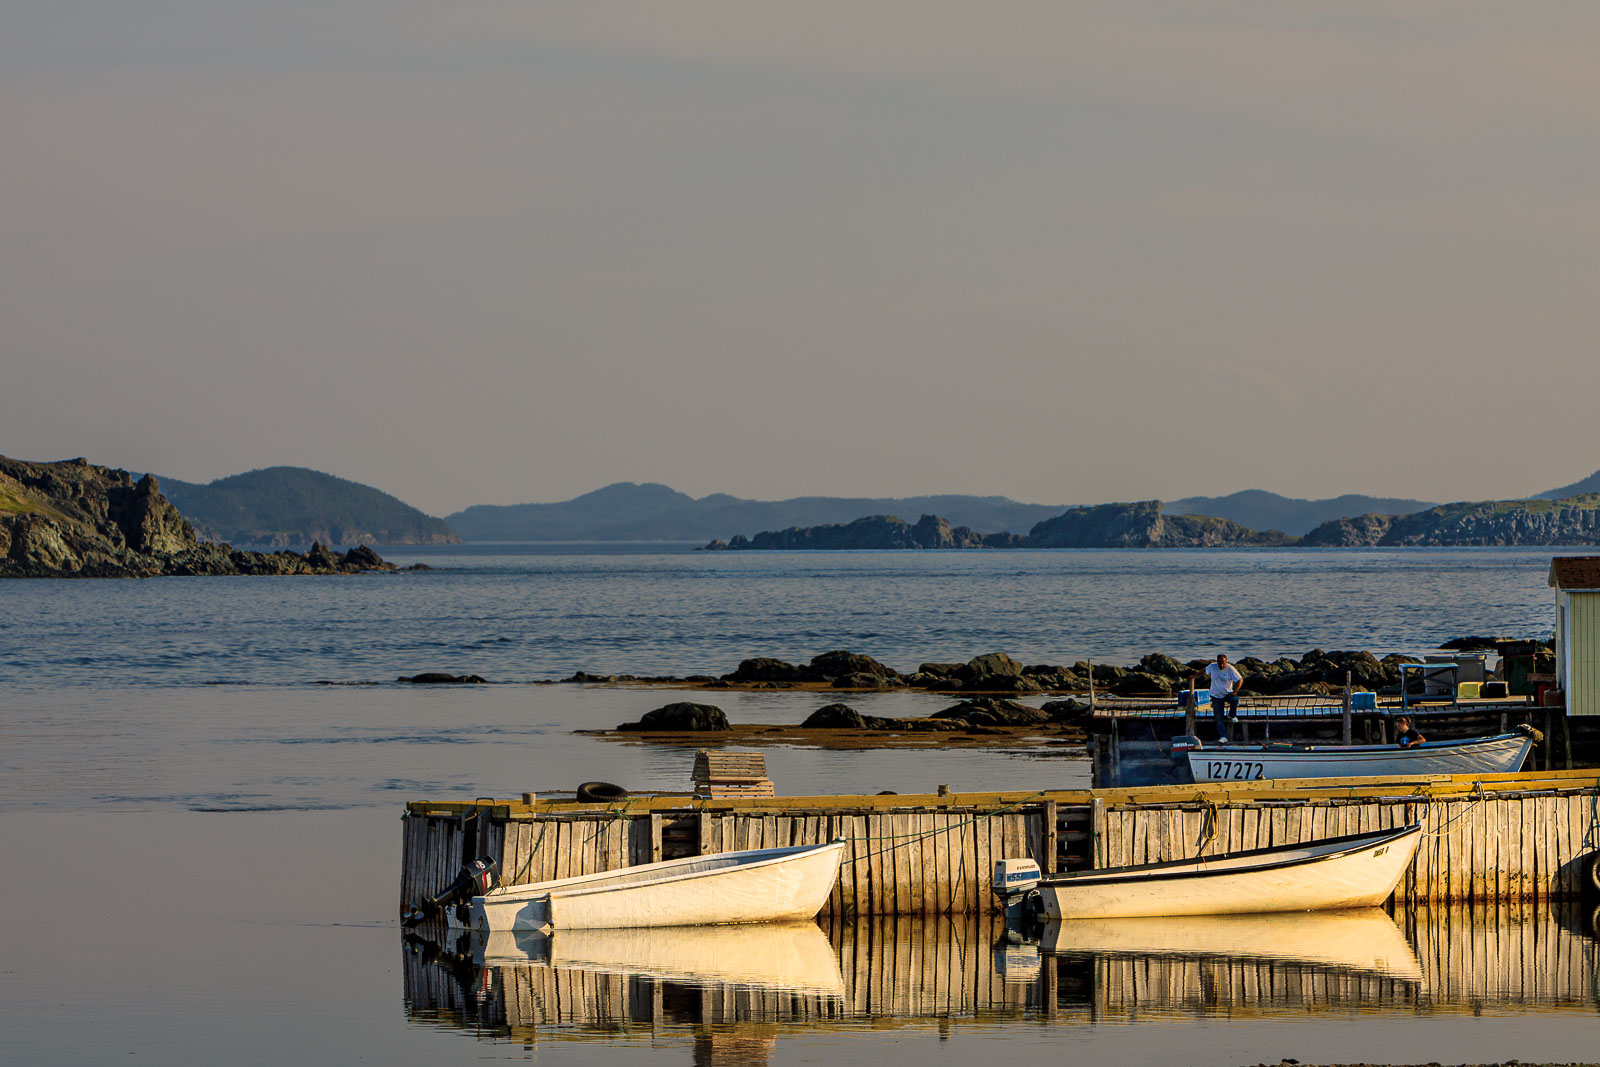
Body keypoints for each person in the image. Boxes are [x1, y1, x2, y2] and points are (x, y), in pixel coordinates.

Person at [1203, 653, 1244, 743]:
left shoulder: (1230, 668)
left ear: (1226, 662)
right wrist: (1194, 676)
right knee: (1218, 717)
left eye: (1223, 663)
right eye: (1220, 663)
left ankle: (1232, 714)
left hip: (1227, 693)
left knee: (1234, 700)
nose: (1222, 665)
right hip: (1216, 695)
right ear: (1217, 662)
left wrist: (1235, 690)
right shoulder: (1212, 666)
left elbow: (1240, 679)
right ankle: (1223, 737)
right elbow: (1204, 670)